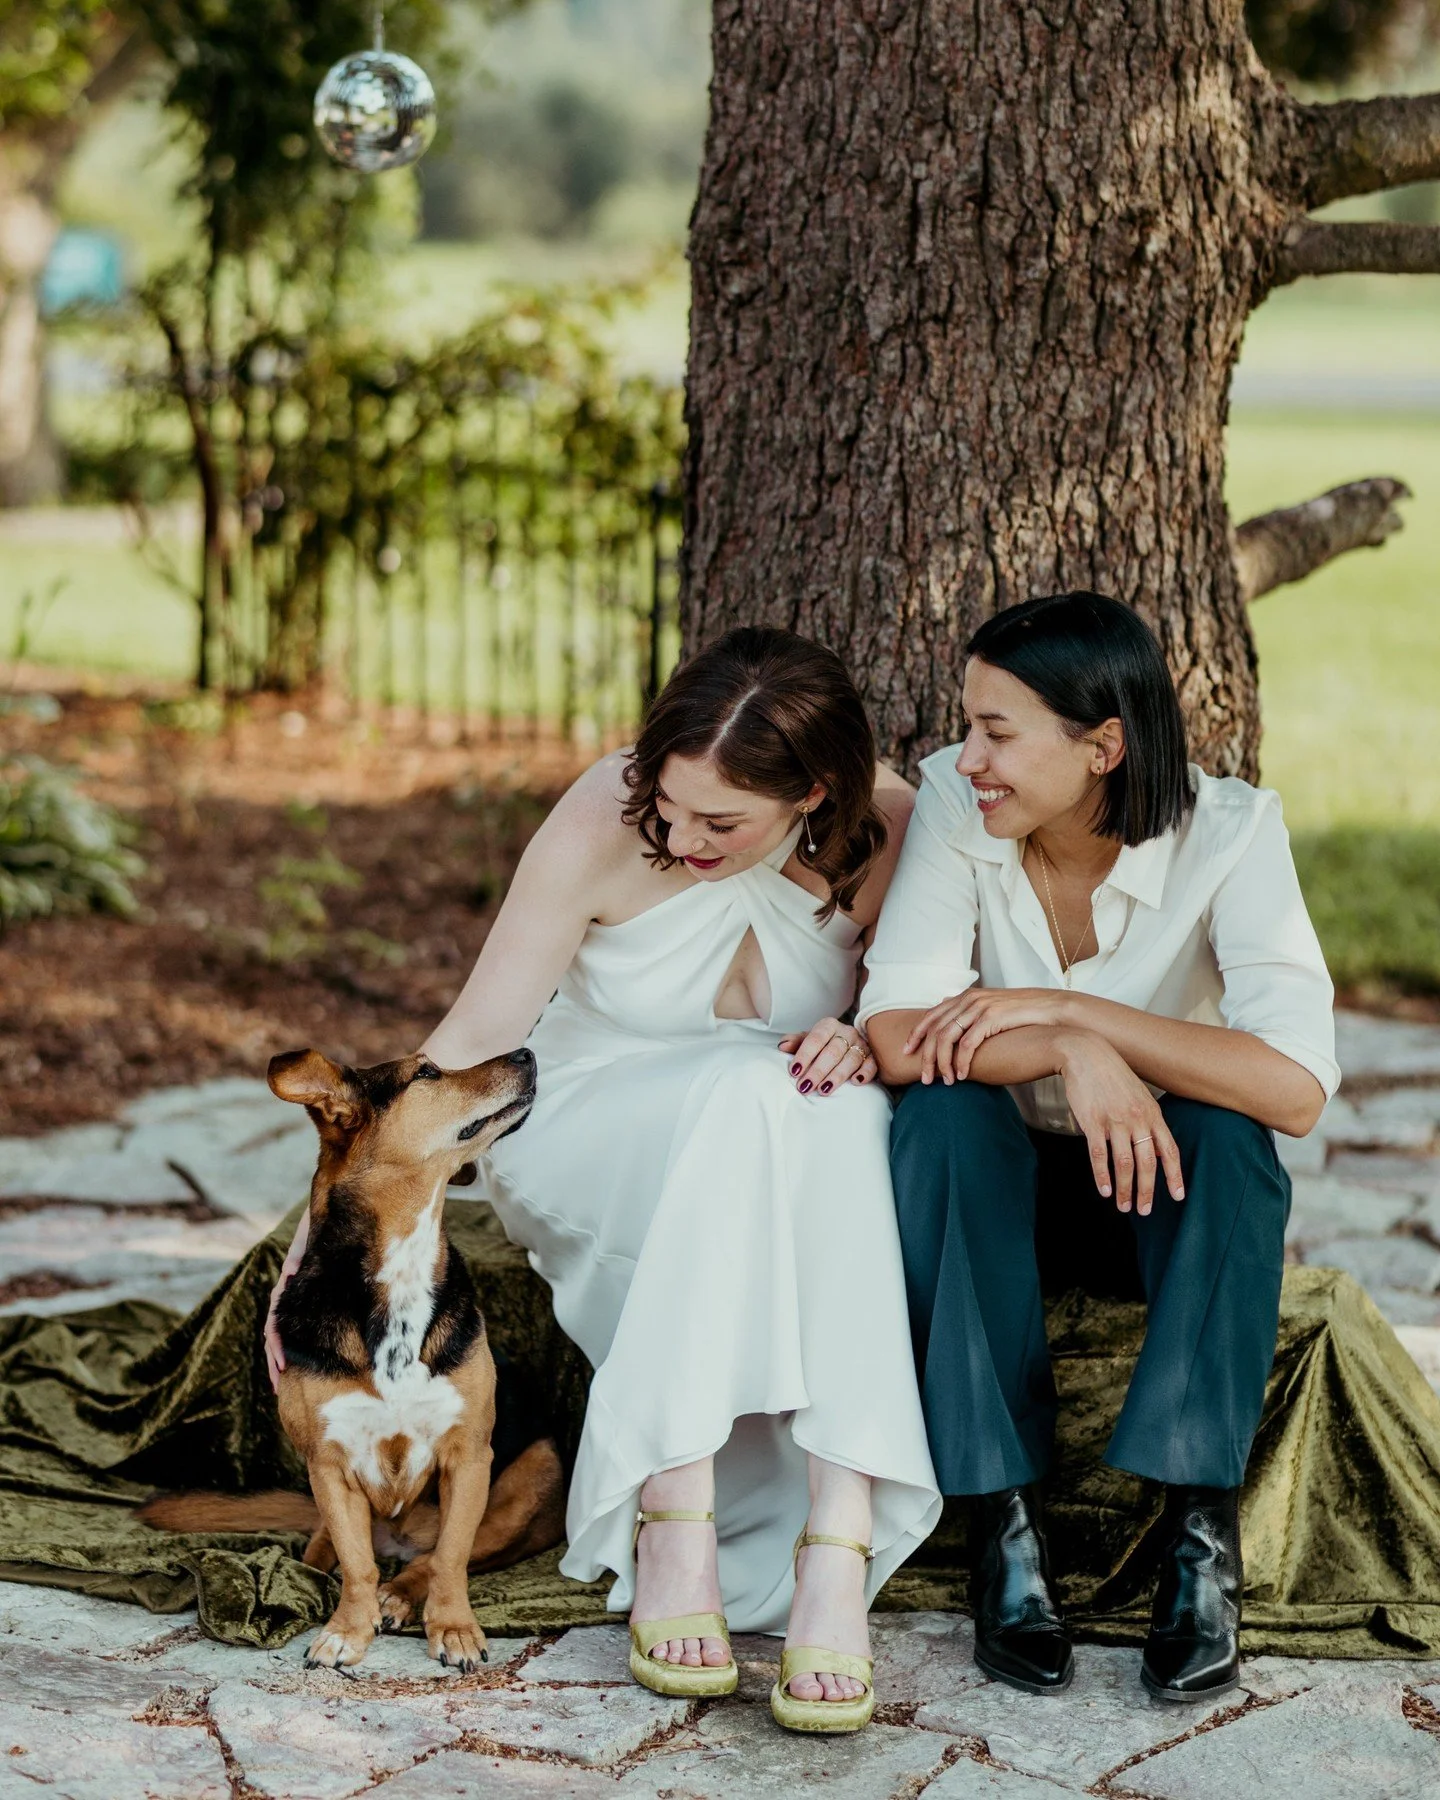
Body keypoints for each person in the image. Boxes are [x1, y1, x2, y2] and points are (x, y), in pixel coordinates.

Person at [266, 627, 940, 1734]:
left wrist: (868, 1038)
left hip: (785, 1136)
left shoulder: (897, 831)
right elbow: (478, 1031)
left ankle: (831, 1530)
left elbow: (912, 1010)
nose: (679, 836)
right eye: (670, 807)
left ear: (815, 792)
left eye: (719, 822)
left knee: (799, 1095)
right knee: (758, 1089)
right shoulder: (602, 813)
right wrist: (317, 1235)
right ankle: (695, 1506)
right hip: (594, 1117)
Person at [860, 591, 1337, 1705]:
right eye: (966, 724)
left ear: (1102, 746)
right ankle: (1003, 1525)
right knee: (940, 1112)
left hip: (1154, 1198)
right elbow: (891, 1033)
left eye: (997, 732)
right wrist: (1058, 1051)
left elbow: (1298, 1087)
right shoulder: (949, 803)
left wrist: (1086, 1023)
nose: (965, 756)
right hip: (996, 1199)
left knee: (1231, 1132)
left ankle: (1197, 1538)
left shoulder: (1232, 833)